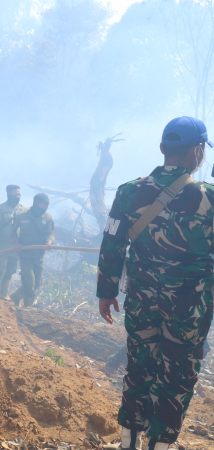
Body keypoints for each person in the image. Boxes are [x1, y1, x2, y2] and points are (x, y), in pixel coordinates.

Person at [97, 116, 214, 450]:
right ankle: (160, 444)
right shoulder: (209, 197)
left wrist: (106, 293)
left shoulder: (129, 192)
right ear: (197, 151)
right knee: (177, 376)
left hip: (141, 300)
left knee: (139, 366)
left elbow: (112, 244)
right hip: (190, 308)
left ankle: (128, 440)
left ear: (163, 149)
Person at [9, 193, 54, 307]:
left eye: (45, 208)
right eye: (41, 207)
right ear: (35, 204)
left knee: (37, 284)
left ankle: (16, 297)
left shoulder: (48, 218)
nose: (42, 210)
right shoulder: (21, 216)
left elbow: (50, 233)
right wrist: (16, 242)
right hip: (24, 254)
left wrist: (49, 242)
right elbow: (12, 231)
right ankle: (27, 308)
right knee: (29, 282)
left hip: (38, 255)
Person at [0, 185, 27, 300]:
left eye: (19, 194)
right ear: (9, 195)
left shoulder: (23, 210)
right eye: (15, 195)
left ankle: (3, 294)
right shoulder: (1, 209)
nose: (18, 197)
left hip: (17, 247)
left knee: (10, 272)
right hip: (2, 246)